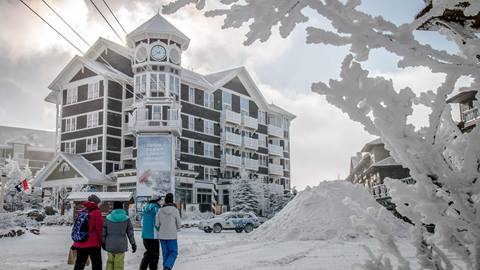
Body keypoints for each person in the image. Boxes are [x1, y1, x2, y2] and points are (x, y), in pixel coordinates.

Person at [72, 194, 103, 270]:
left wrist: (74, 243)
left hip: (81, 242)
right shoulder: (96, 212)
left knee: (79, 264)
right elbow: (99, 229)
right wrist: (102, 241)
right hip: (93, 244)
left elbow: (77, 227)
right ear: (96, 203)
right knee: (97, 264)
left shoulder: (83, 212)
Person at [102, 201, 137, 270]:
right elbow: (130, 233)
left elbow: (103, 232)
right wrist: (133, 244)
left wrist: (103, 242)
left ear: (114, 207)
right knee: (119, 264)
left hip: (110, 244)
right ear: (122, 207)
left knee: (110, 262)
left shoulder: (108, 218)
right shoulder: (126, 219)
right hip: (121, 245)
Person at [156, 193, 181, 270]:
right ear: (172, 200)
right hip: (172, 236)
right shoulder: (175, 210)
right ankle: (167, 267)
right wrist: (177, 228)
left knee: (165, 254)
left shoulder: (160, 210)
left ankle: (165, 267)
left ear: (165, 200)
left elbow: (156, 224)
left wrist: (159, 229)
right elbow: (179, 223)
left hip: (162, 236)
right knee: (174, 252)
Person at [139, 194, 162, 270]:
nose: (161, 202)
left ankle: (143, 268)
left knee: (148, 253)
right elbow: (157, 222)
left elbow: (141, 222)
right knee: (154, 255)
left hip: (145, 235)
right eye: (160, 200)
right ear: (157, 201)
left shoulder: (145, 208)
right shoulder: (157, 208)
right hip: (153, 236)